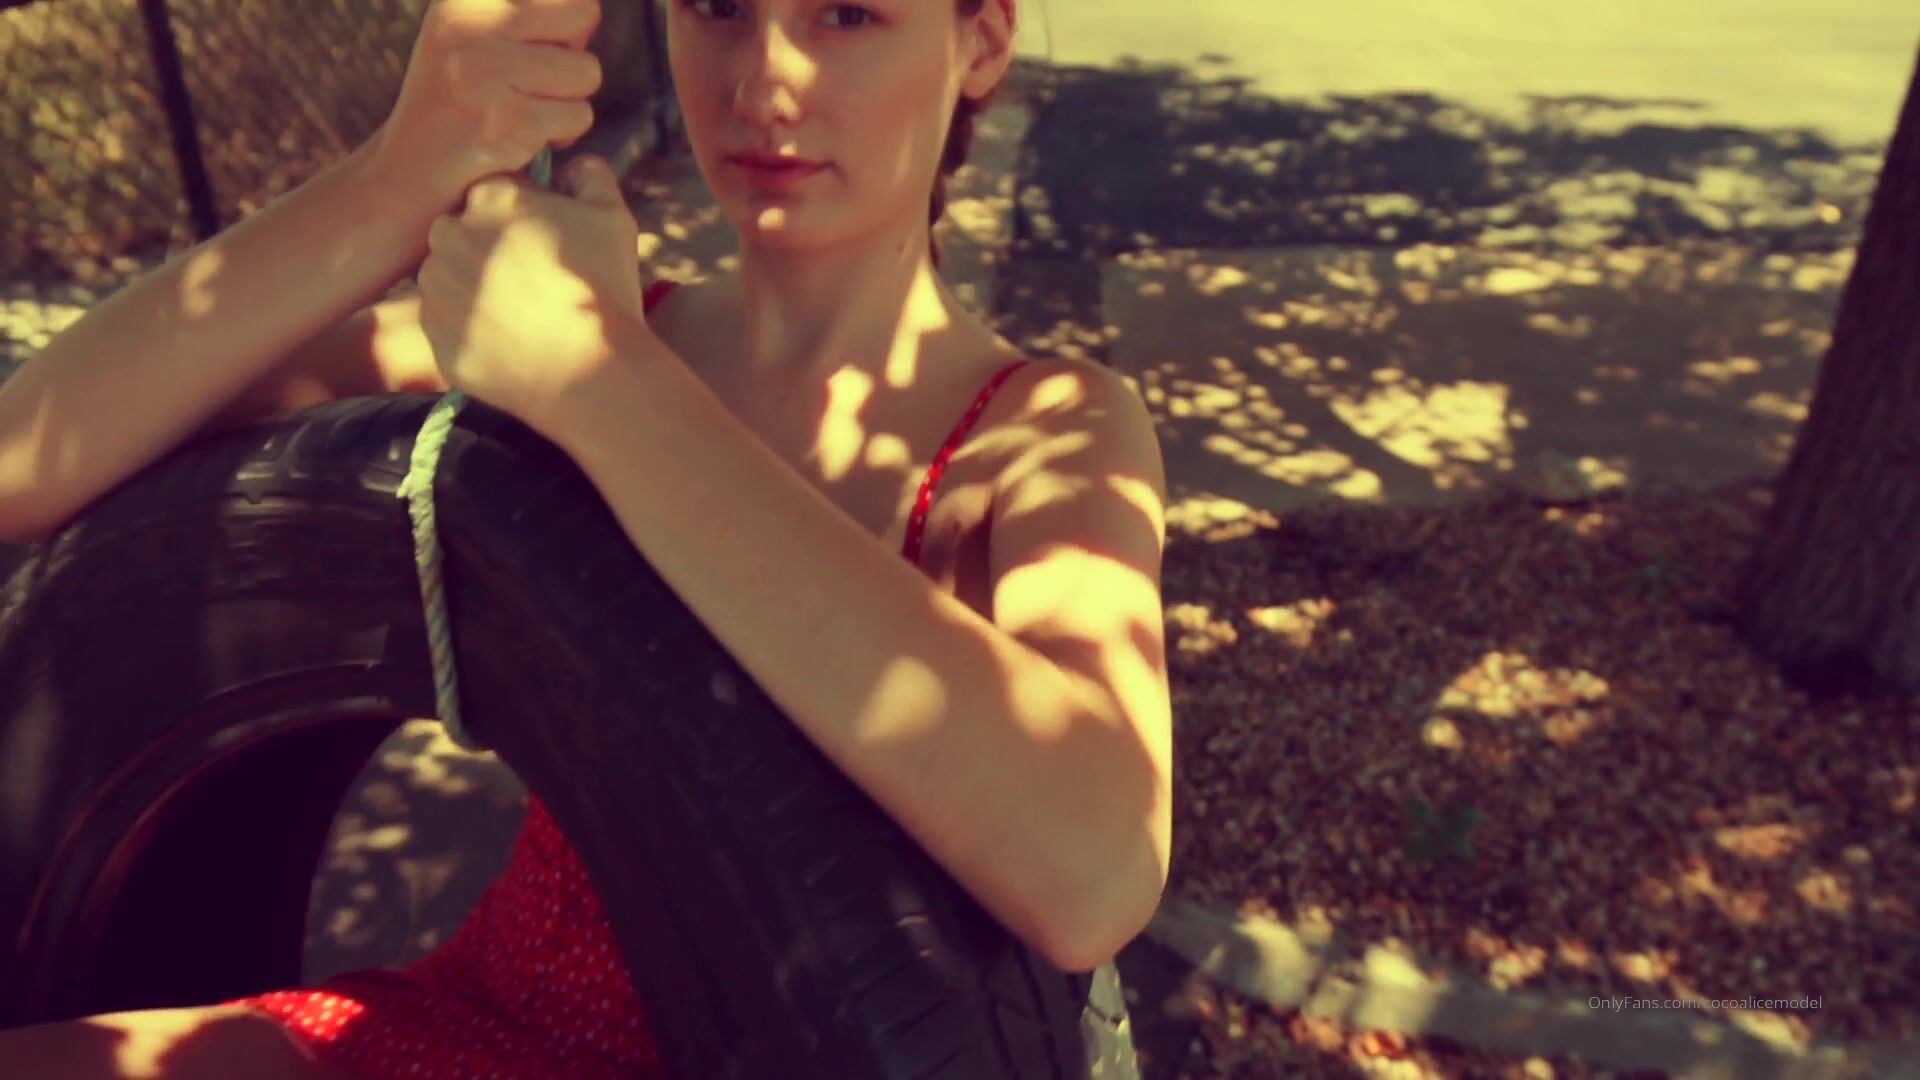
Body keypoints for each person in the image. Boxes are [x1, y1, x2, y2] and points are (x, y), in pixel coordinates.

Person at [0, 0, 1174, 1075]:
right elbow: (22, 459)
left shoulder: (1040, 429)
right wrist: (398, 177)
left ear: (981, 41)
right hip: (472, 1027)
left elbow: (1096, 870)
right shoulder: (595, 322)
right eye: (719, 8)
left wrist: (604, 389)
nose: (764, 82)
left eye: (847, 14)